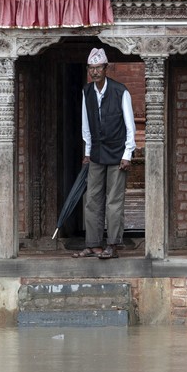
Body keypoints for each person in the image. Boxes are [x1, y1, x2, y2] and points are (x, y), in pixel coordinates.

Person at [72, 48, 136, 259]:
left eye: (98, 68)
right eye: (91, 68)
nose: (94, 72)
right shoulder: (87, 91)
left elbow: (130, 125)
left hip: (118, 154)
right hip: (97, 153)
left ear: (106, 68)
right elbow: (85, 124)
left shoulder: (120, 91)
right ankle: (93, 244)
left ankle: (113, 244)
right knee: (92, 199)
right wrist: (88, 151)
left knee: (113, 201)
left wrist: (128, 153)